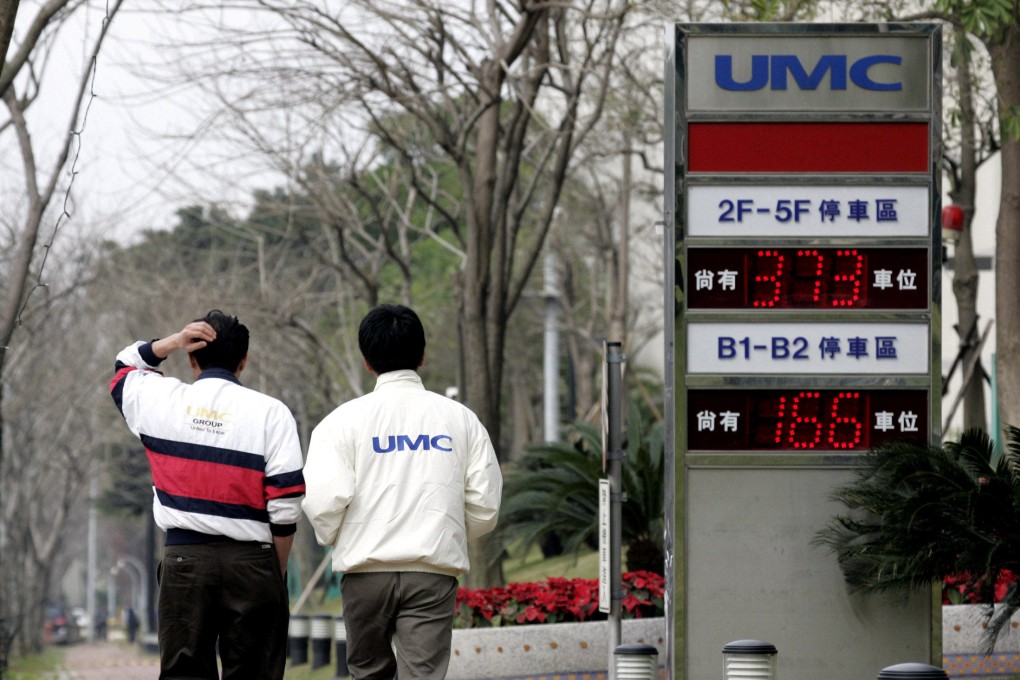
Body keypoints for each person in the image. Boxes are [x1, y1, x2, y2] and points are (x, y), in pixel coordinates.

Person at [302, 304, 503, 680]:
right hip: (431, 573)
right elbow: (485, 504)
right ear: (422, 355)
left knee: (368, 673)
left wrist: (338, 536)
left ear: (366, 361)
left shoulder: (340, 422)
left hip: (364, 574)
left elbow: (322, 501)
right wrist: (446, 530)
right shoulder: (461, 419)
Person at [109, 310, 306, 680]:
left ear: (191, 357)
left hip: (185, 560)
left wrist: (171, 341)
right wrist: (274, 571)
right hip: (252, 561)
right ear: (243, 361)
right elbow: (285, 503)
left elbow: (124, 367)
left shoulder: (160, 400)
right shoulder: (272, 413)